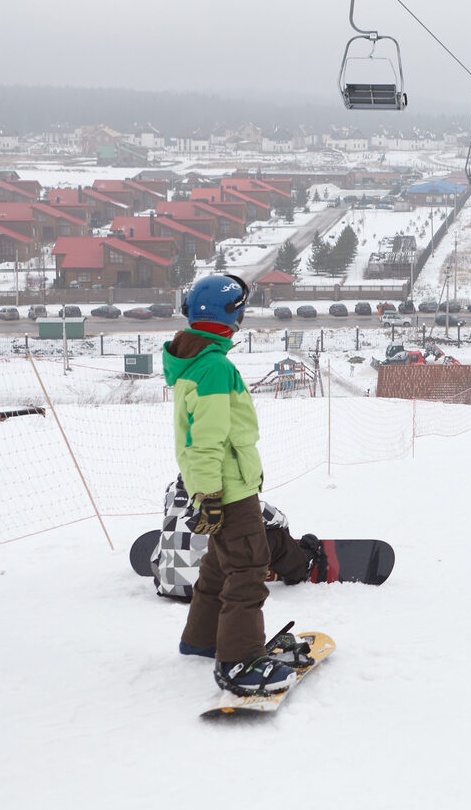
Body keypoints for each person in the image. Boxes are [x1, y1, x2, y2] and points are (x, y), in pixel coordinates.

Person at [167, 274, 299, 696]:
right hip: (229, 486)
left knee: (220, 564)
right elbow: (205, 440)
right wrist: (209, 495)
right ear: (232, 315)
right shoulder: (214, 367)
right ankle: (239, 661)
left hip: (222, 481)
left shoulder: (197, 358)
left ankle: (203, 638)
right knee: (247, 567)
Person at [149, 477, 322, 600]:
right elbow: (271, 516)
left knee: (176, 531)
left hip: (167, 587)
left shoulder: (172, 488)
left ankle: (175, 567)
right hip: (213, 588)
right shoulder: (230, 489)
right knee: (276, 535)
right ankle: (299, 568)